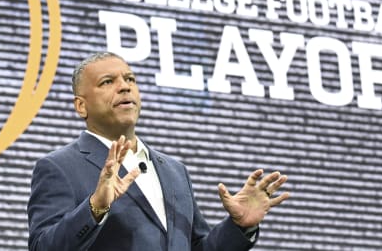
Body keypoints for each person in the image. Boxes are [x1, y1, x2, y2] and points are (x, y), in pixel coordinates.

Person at [27, 52, 289, 251]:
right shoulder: (59, 167)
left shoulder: (174, 170)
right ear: (81, 106)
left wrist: (239, 226)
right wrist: (95, 207)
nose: (124, 86)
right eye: (108, 82)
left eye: (130, 79)